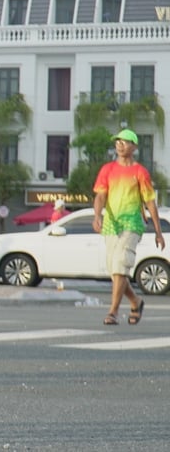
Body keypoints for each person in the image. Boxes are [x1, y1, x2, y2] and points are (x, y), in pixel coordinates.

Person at [93, 129, 164, 326]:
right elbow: (100, 196)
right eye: (118, 142)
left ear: (134, 146)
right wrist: (97, 215)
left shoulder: (140, 172)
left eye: (125, 142)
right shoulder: (107, 169)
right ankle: (135, 301)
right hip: (111, 224)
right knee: (115, 270)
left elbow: (150, 202)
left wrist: (158, 232)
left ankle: (113, 312)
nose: (120, 145)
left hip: (132, 223)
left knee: (121, 265)